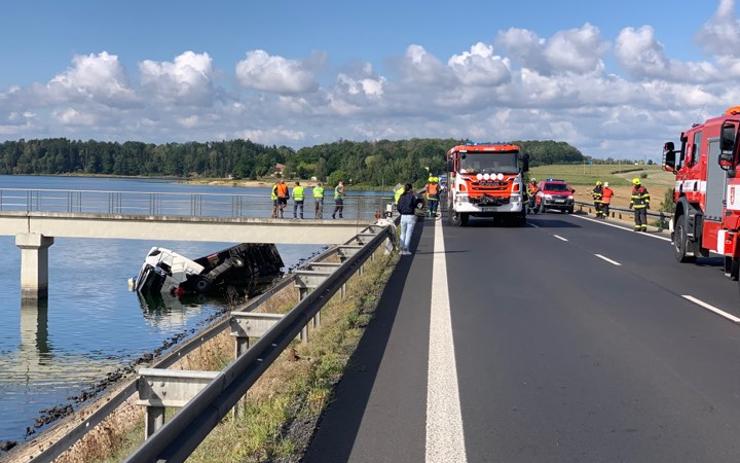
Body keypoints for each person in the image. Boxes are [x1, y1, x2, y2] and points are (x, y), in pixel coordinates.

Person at [397, 183, 420, 255]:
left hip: (403, 216)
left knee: (402, 234)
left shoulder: (401, 196)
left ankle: (401, 250)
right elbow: (416, 205)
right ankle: (406, 250)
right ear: (410, 189)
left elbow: (398, 207)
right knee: (408, 234)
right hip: (410, 216)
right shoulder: (412, 196)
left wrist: (402, 212)